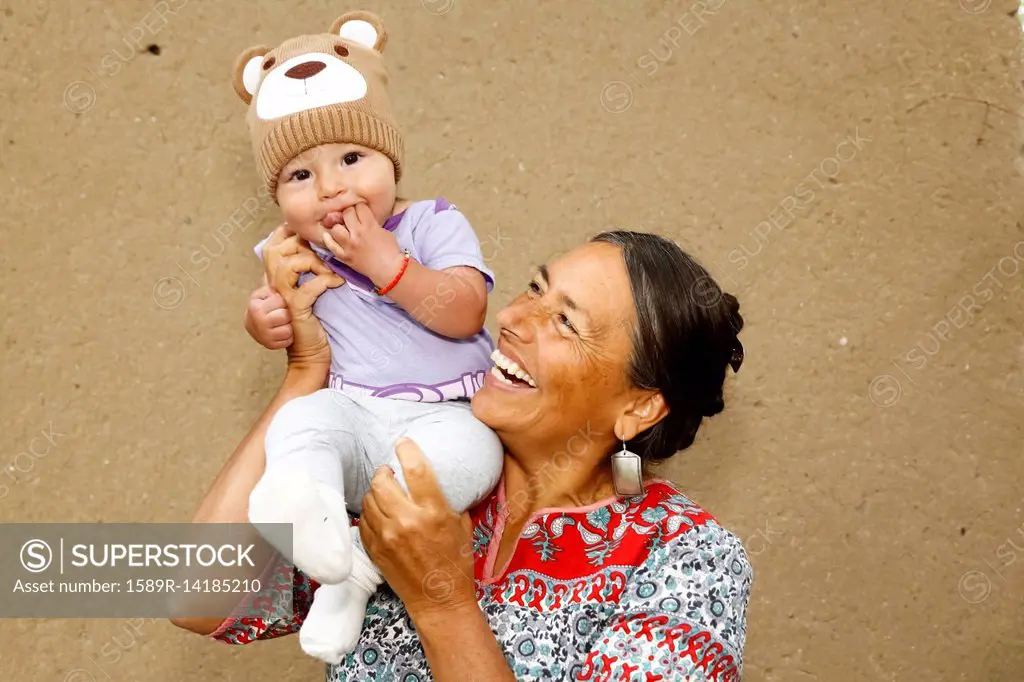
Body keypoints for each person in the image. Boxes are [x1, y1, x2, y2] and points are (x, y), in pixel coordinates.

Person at [171, 229, 753, 682]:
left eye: (564, 322)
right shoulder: (421, 461)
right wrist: (306, 372)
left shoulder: (687, 560)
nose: (510, 318)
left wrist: (442, 601)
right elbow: (197, 596)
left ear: (640, 407)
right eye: (533, 288)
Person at [229, 10, 504, 662]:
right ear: (277, 195)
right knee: (301, 426)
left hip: (443, 417)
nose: (331, 187)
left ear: (391, 160)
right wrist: (263, 318)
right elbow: (277, 309)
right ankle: (309, 511)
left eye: (352, 158)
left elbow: (464, 310)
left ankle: (351, 571)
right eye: (300, 175)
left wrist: (387, 263)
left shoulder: (432, 223)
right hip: (354, 415)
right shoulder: (287, 248)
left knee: (477, 456)